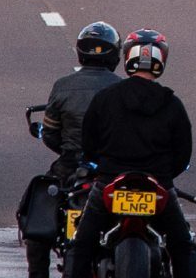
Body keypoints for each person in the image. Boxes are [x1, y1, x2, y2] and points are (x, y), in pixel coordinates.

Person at [66, 29, 196, 278]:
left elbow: (89, 143)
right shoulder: (172, 103)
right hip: (157, 183)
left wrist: (102, 165)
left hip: (109, 180)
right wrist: (164, 175)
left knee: (81, 245)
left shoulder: (105, 98)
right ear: (161, 61)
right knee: (183, 246)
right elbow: (183, 153)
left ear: (127, 58)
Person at [25, 22, 123, 278]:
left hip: (70, 165)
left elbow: (50, 134)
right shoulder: (123, 87)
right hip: (112, 167)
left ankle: (37, 274)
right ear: (115, 55)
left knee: (36, 214)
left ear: (81, 52)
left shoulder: (63, 85)